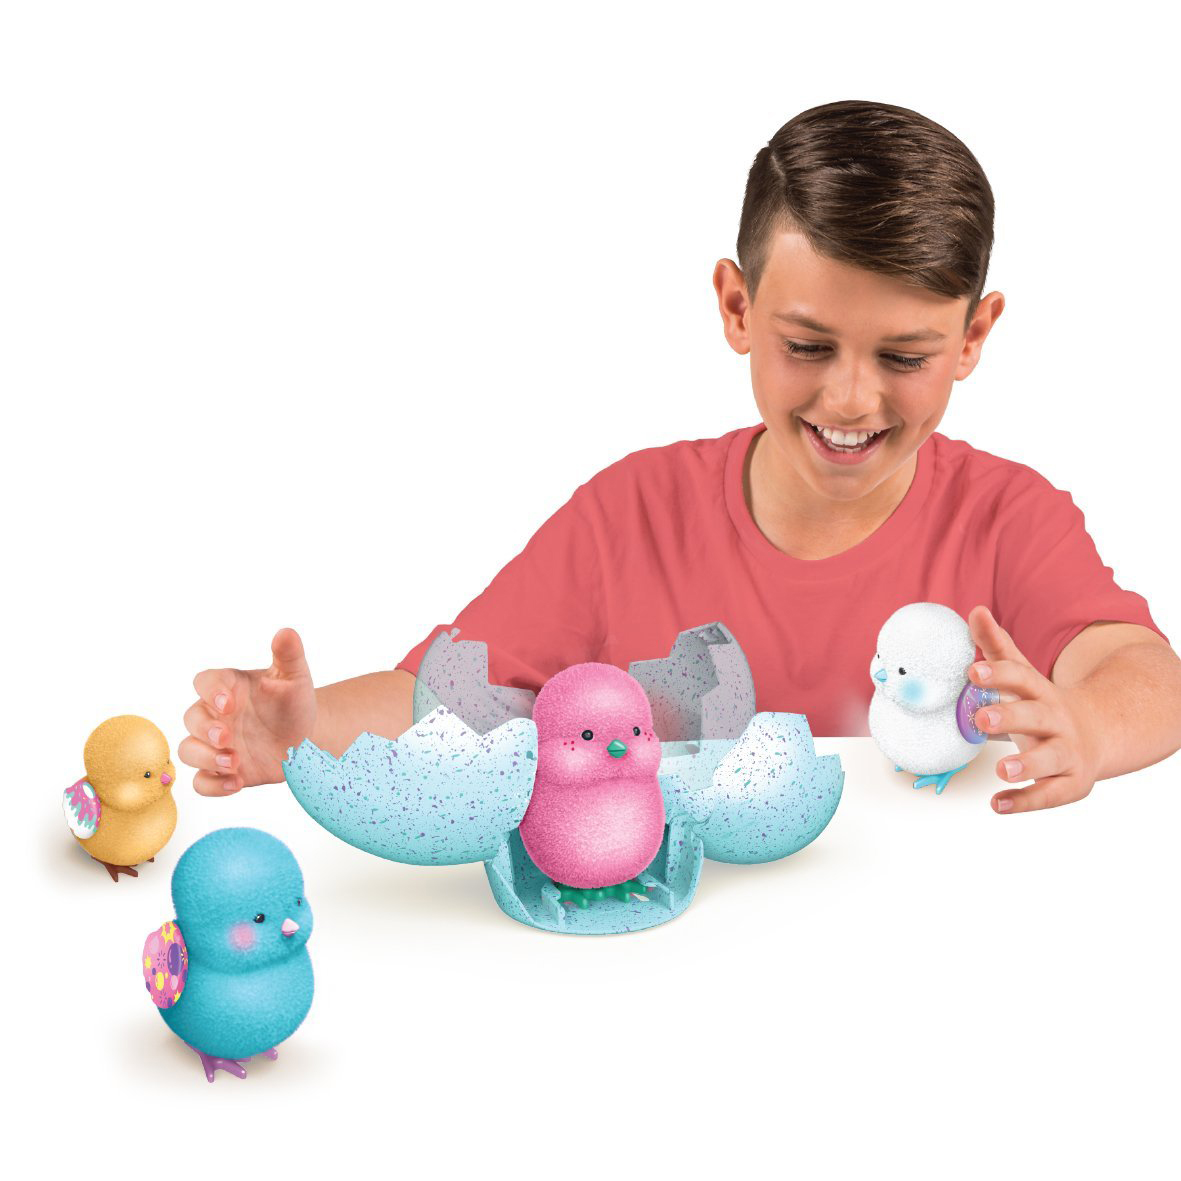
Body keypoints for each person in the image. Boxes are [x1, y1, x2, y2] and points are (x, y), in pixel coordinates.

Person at [179, 99, 1181, 814]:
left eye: (903, 357)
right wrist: (298, 732)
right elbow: (452, 699)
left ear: (972, 335)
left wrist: (1087, 728)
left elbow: (1144, 672)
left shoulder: (1006, 519)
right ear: (736, 307)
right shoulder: (631, 517)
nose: (848, 398)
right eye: (807, 345)